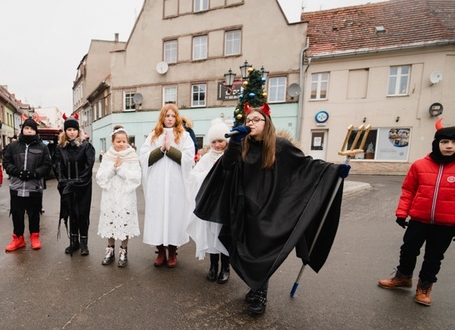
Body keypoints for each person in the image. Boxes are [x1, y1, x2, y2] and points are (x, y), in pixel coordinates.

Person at [195, 105, 350, 316]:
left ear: (266, 123)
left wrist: (333, 169)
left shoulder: (280, 146)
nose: (251, 123)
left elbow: (305, 166)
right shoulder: (241, 145)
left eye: (256, 119)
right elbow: (226, 166)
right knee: (241, 249)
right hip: (242, 207)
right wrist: (234, 143)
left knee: (261, 252)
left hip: (269, 208)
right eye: (248, 120)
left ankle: (260, 294)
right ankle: (255, 286)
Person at [378, 117, 455, 306]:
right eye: (444, 142)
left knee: (434, 257)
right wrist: (402, 212)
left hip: (446, 224)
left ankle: (424, 287)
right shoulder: (420, 165)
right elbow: (409, 190)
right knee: (408, 250)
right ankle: (403, 277)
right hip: (419, 219)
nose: (450, 146)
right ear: (436, 143)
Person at [139, 103, 196, 268]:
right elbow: (144, 157)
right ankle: (160, 251)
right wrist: (161, 149)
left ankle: (172, 251)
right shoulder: (153, 135)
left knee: (173, 214)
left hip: (175, 183)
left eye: (172, 116)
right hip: (157, 182)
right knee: (158, 214)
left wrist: (171, 150)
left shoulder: (183, 135)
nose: (169, 119)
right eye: (167, 115)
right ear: (162, 117)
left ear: (176, 118)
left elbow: (189, 158)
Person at [187, 119, 231, 283]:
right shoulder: (206, 158)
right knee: (211, 235)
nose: (217, 145)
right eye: (214, 141)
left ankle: (225, 267)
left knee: (223, 234)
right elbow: (194, 176)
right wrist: (208, 176)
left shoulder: (230, 157)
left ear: (226, 141)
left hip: (225, 204)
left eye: (220, 141)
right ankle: (213, 266)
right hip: (211, 204)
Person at [2, 117, 52, 252]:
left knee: (34, 213)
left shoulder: (42, 147)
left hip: (34, 187)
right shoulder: (13, 146)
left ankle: (34, 237)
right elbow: (6, 162)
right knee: (17, 214)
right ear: (23, 130)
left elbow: (47, 165)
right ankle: (18, 239)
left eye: (32, 129)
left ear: (35, 131)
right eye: (26, 128)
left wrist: (34, 174)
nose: (29, 131)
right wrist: (17, 172)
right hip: (17, 186)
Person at [96, 125, 141, 267]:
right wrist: (113, 168)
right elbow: (101, 176)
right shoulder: (107, 156)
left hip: (126, 195)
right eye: (118, 141)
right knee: (110, 220)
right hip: (110, 195)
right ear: (112, 142)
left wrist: (120, 169)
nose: (121, 144)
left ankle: (123, 250)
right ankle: (110, 250)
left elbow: (136, 177)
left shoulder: (132, 156)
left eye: (123, 141)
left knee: (124, 221)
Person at [52, 114, 95, 256]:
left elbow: (88, 167)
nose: (71, 132)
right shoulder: (60, 148)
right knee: (71, 213)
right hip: (67, 187)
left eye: (74, 129)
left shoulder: (86, 146)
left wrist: (78, 182)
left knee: (82, 214)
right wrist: (64, 181)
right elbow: (57, 166)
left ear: (78, 131)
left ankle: (84, 243)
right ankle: (74, 242)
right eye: (69, 129)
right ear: (65, 131)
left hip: (83, 187)